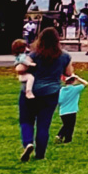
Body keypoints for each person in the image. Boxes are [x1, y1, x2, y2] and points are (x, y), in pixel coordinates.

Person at [17, 28, 75, 162]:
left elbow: (21, 69)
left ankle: (28, 143)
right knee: (44, 124)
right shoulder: (64, 56)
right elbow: (69, 73)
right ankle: (40, 154)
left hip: (30, 91)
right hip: (51, 93)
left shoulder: (34, 54)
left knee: (26, 120)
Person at [55, 67, 88, 143]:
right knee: (70, 126)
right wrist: (78, 78)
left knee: (66, 125)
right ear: (73, 81)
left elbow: (59, 101)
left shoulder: (61, 90)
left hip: (62, 111)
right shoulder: (75, 89)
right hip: (72, 110)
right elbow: (86, 84)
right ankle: (67, 139)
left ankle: (60, 135)